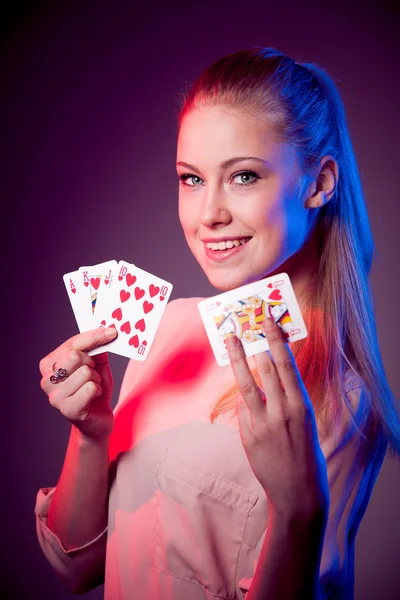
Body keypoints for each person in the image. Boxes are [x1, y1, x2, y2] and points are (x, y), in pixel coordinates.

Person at [35, 47, 400, 599]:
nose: (209, 215)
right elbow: (76, 569)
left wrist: (298, 511)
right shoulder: (171, 330)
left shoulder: (344, 401)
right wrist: (92, 434)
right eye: (191, 179)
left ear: (319, 183)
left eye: (244, 176)